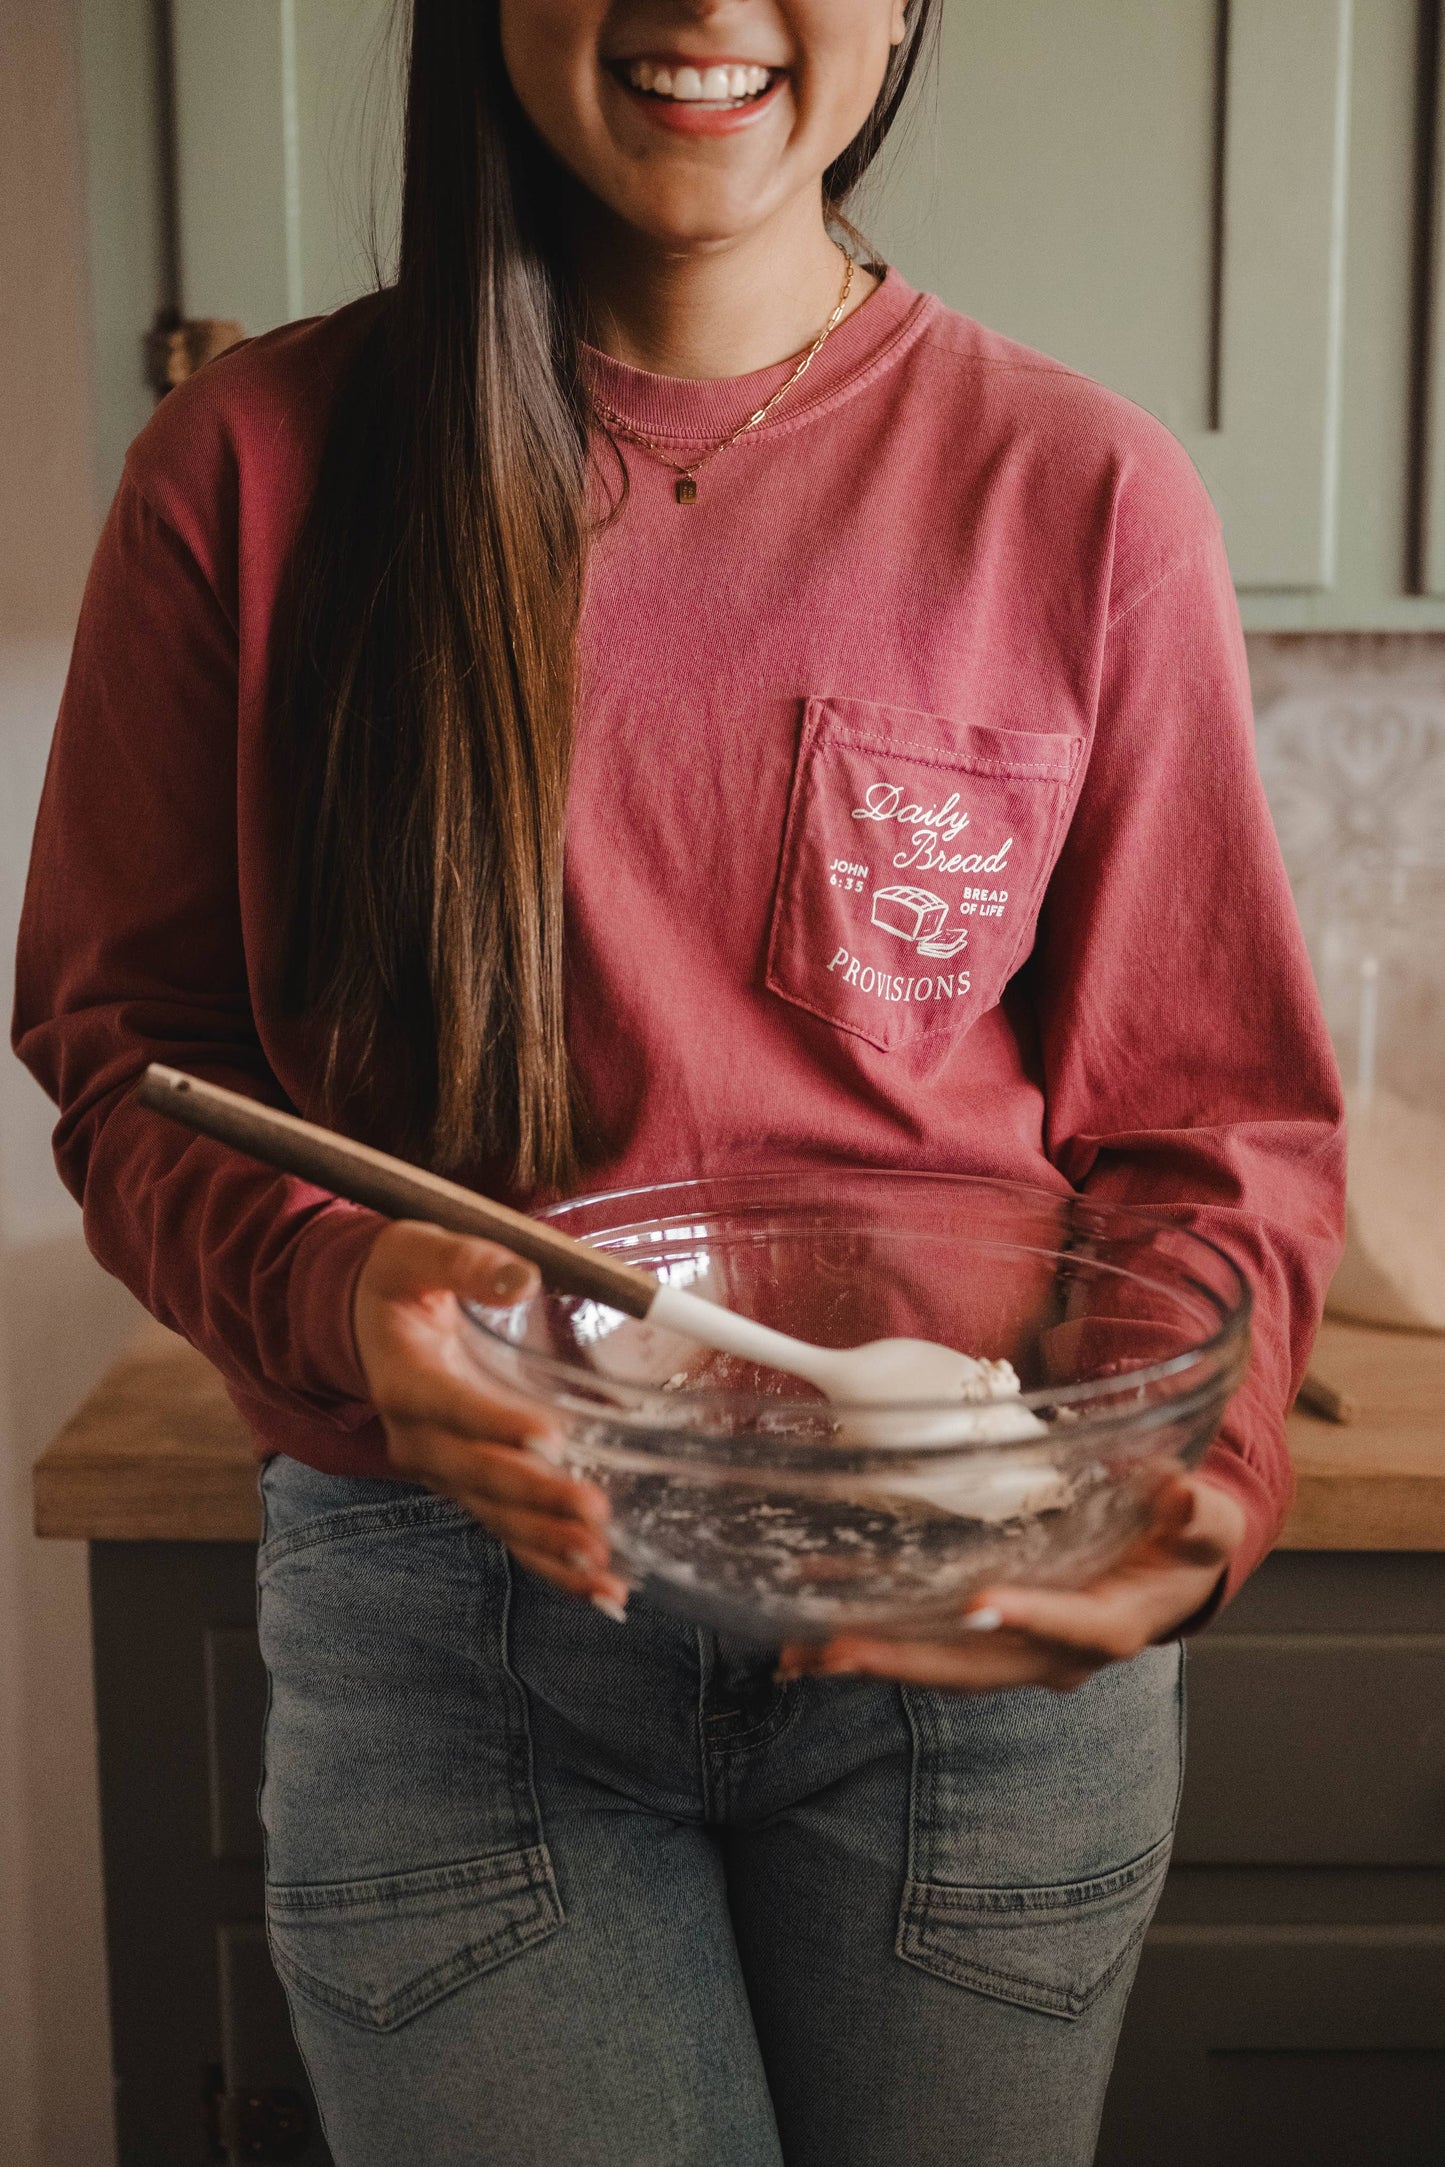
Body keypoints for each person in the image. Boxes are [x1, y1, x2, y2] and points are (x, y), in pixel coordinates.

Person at [14, 3, 1344, 2161]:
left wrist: (1192, 1500)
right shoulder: (245, 480)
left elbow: (1209, 1127)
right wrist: (347, 1285)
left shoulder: (1086, 495)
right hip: (449, 1629)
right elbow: (127, 1061)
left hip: (959, 1631)